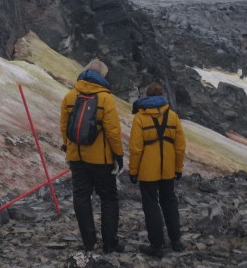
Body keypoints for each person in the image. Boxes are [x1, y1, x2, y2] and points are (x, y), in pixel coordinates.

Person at [60, 59, 125, 253]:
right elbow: (112, 131)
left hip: (77, 157)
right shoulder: (106, 99)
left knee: (81, 197)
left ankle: (89, 242)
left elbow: (64, 127)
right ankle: (109, 243)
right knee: (109, 198)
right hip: (101, 160)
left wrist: (68, 147)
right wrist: (118, 155)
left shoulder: (70, 96)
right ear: (102, 76)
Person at [128, 83, 186, 258]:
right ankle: (176, 241)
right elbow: (180, 146)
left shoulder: (140, 117)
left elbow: (136, 148)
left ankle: (156, 245)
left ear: (146, 96)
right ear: (162, 96)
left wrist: (133, 171)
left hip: (147, 171)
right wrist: (178, 168)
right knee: (169, 201)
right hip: (168, 169)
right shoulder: (172, 116)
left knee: (151, 205)